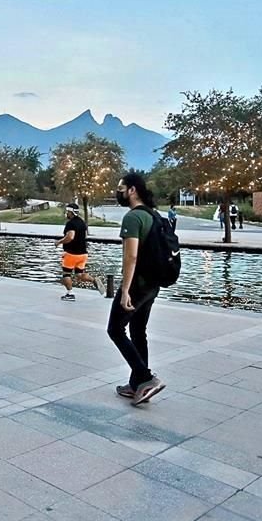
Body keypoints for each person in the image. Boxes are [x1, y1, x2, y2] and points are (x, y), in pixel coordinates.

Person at [107, 171, 166, 406]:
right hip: (153, 284)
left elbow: (130, 257)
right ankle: (136, 385)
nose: (118, 192)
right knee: (138, 330)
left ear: (132, 190)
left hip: (138, 285)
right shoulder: (154, 215)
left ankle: (146, 378)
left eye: (121, 188)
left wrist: (125, 290)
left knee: (115, 329)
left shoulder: (133, 218)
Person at [55, 203, 104, 301]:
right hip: (83, 254)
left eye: (67, 211)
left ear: (71, 212)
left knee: (66, 274)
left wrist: (59, 242)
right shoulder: (82, 222)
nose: (66, 213)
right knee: (80, 274)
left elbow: (70, 237)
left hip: (71, 253)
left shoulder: (71, 223)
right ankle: (93, 280)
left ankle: (70, 294)